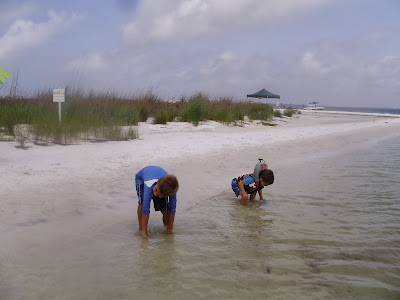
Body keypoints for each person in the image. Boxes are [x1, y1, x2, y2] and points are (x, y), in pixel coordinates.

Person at [135, 166, 179, 237]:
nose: (155, 194)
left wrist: (170, 229)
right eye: (156, 191)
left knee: (165, 209)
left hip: (159, 183)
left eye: (159, 195)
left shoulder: (172, 191)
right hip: (141, 179)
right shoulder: (149, 187)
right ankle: (141, 228)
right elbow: (146, 210)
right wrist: (144, 232)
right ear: (158, 181)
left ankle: (166, 227)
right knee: (142, 203)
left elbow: (172, 209)